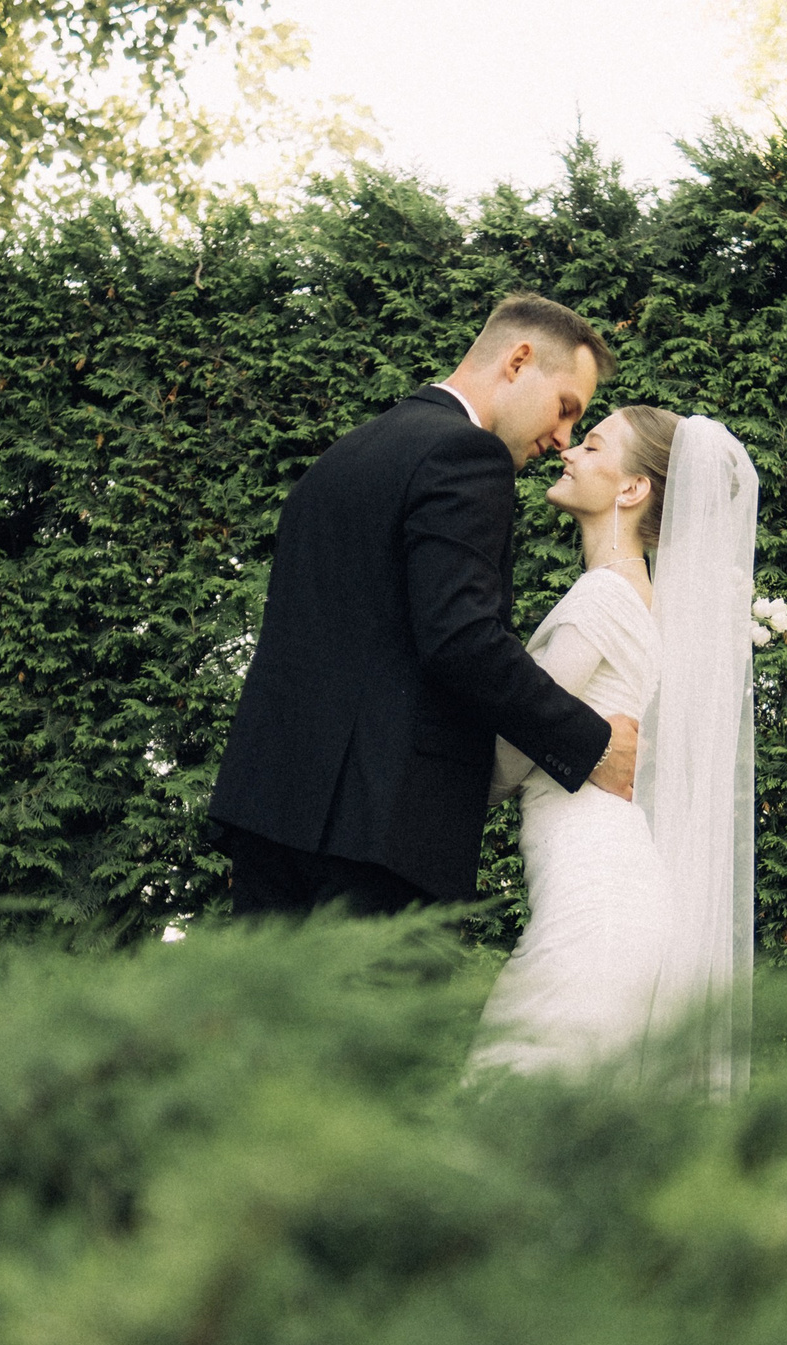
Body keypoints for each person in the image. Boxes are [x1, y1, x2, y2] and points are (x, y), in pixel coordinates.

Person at [209, 295, 640, 918]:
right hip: (378, 835)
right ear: (518, 361)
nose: (563, 438)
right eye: (566, 408)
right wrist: (591, 743)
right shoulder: (467, 455)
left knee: (271, 1016)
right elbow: (462, 638)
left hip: (270, 812)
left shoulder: (344, 455)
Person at [471, 408, 761, 1094]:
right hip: (611, 894)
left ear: (632, 490)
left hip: (594, 906)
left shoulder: (605, 598)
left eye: (593, 444)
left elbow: (505, 761)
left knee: (507, 1100)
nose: (568, 451)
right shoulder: (634, 594)